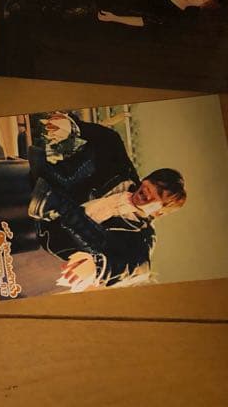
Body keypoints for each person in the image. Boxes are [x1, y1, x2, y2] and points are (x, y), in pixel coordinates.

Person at [27, 111, 187, 290]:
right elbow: (110, 139)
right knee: (104, 153)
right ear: (146, 179)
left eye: (159, 195)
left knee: (108, 246)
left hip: (54, 238)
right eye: (154, 183)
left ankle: (53, 201)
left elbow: (138, 267)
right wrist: (74, 127)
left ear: (158, 212)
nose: (150, 192)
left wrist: (98, 267)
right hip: (41, 191)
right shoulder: (125, 177)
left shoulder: (143, 236)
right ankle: (49, 176)